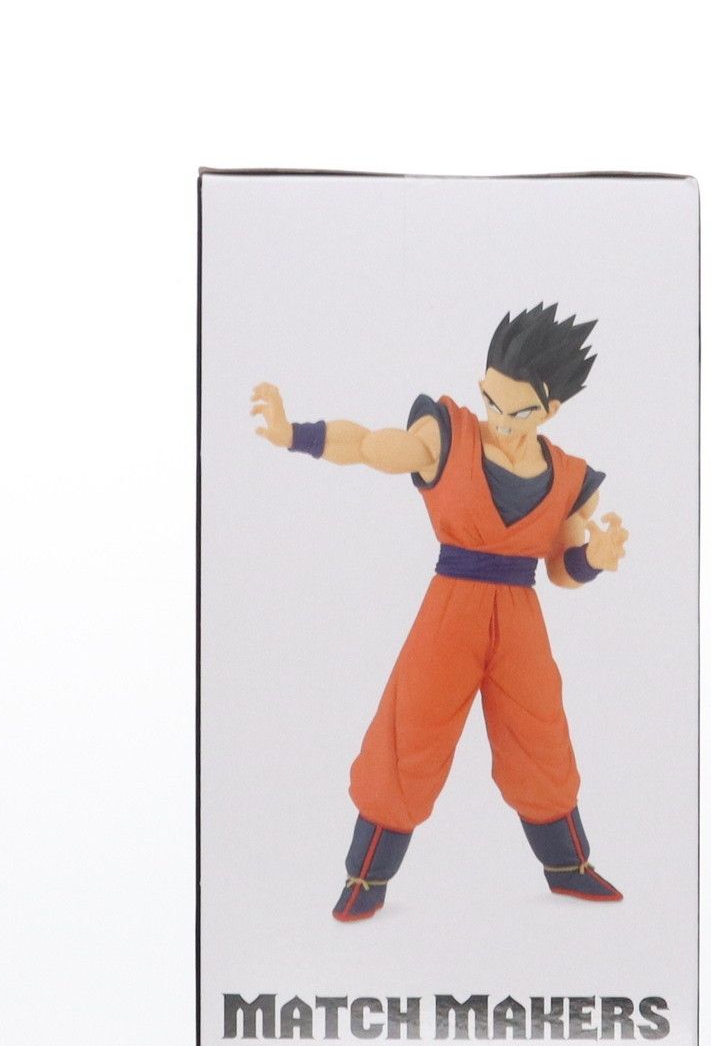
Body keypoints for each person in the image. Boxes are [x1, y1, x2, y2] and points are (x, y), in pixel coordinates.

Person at [252, 303, 629, 922]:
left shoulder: (567, 476)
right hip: (452, 605)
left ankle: (569, 867)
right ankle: (366, 876)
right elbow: (370, 446)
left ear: (551, 409)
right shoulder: (448, 436)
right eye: (491, 400)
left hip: (520, 616)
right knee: (411, 730)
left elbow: (562, 568)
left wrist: (595, 558)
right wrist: (297, 434)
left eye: (517, 411)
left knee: (540, 734)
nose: (499, 420)